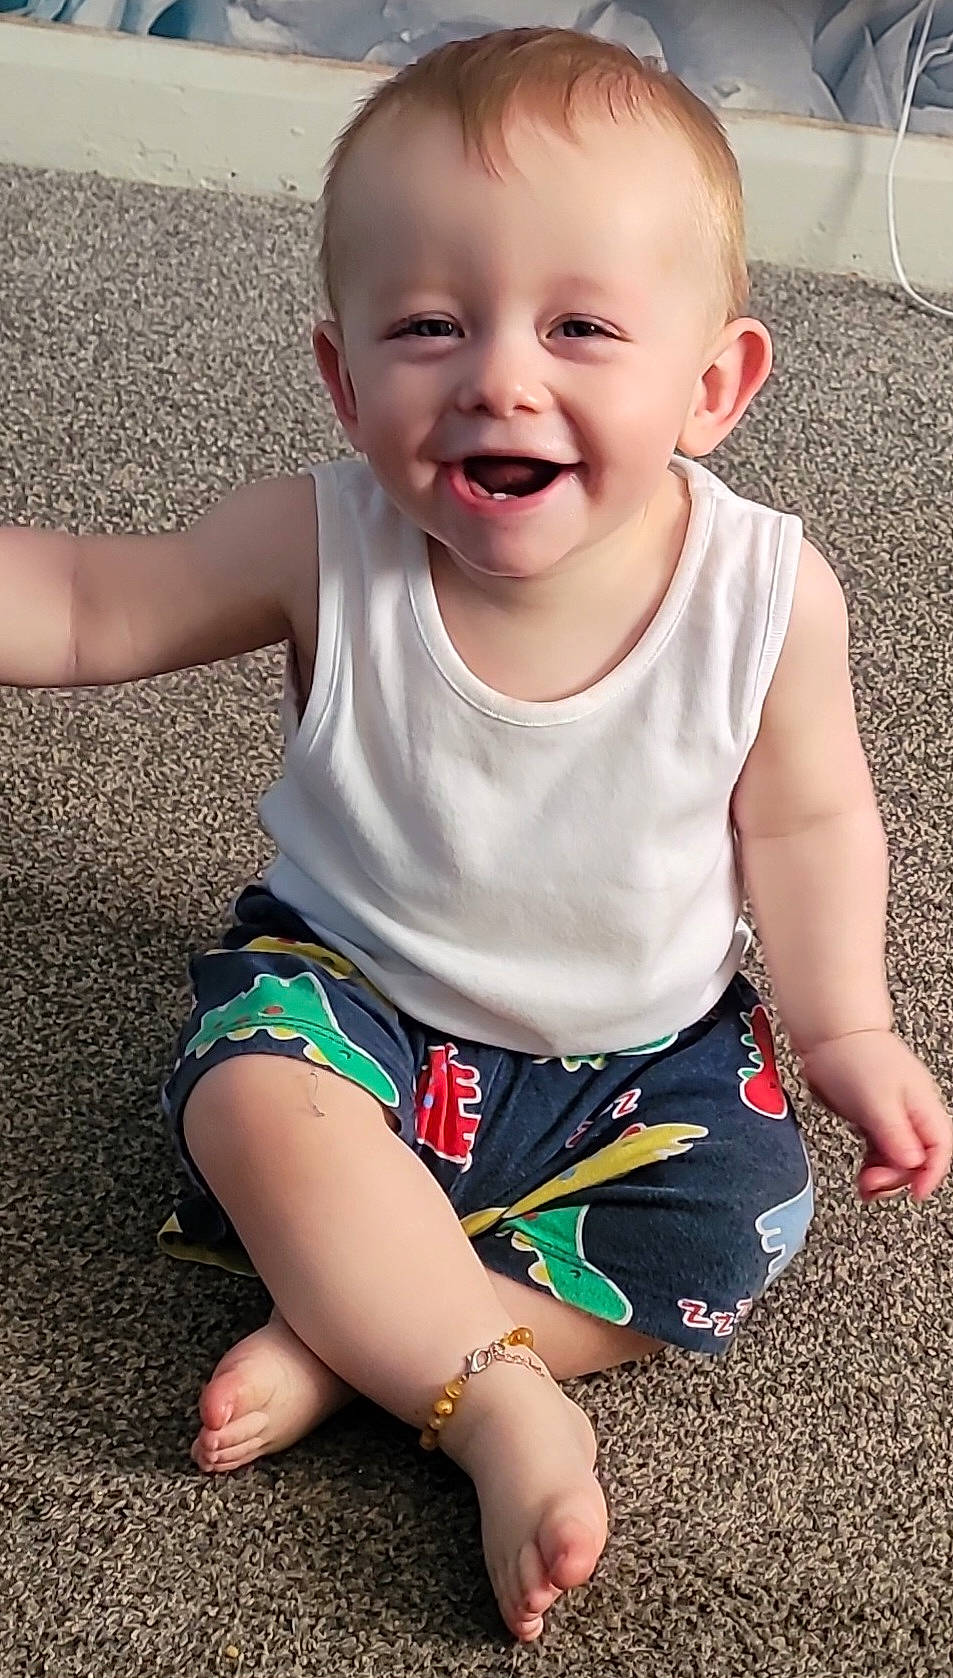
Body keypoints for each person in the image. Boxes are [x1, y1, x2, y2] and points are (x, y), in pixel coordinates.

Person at [2, 24, 949, 1646]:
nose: (500, 374)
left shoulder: (763, 595)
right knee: (251, 1096)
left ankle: (365, 1327)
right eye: (428, 325)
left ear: (712, 384)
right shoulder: (322, 537)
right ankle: (493, 1398)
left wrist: (843, 1018)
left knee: (736, 1220)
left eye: (581, 325)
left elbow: (804, 814)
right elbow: (90, 603)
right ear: (342, 374)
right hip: (359, 1006)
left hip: (632, 1058)